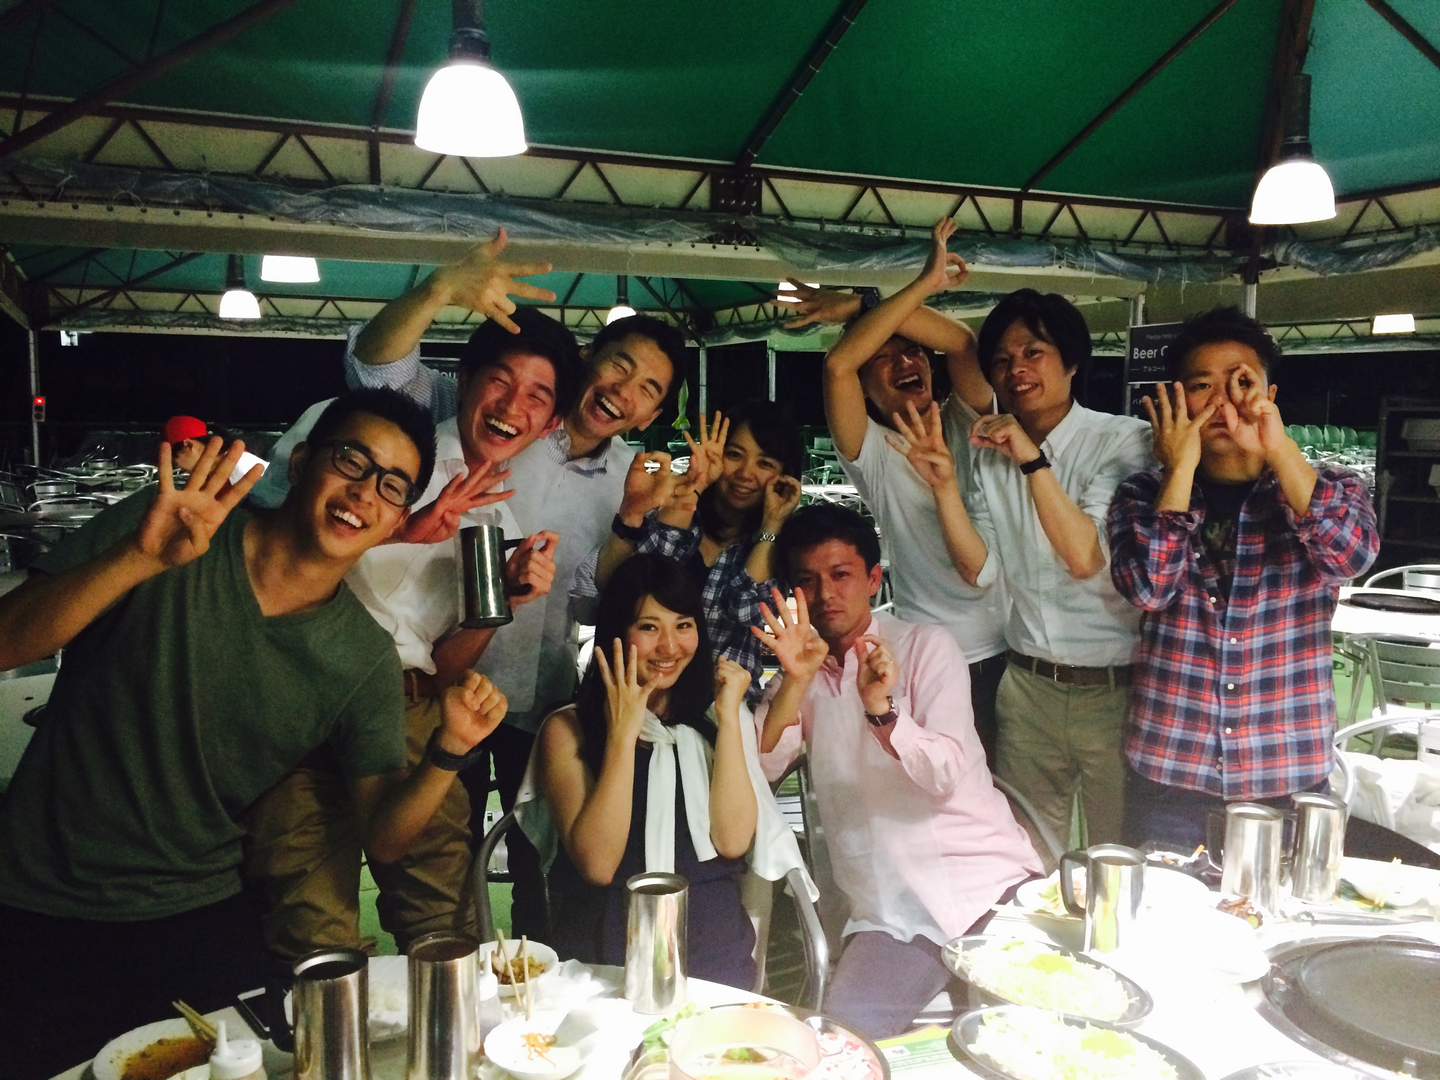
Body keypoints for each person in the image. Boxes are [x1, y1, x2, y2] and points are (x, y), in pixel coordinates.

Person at [0, 390, 509, 1078]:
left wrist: (448, 750)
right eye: (351, 460)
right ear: (300, 463)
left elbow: (384, 837)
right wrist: (139, 558)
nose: (365, 491)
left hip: (196, 908)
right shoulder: (171, 530)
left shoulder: (360, 658)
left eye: (393, 486)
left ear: (399, 519)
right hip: (37, 893)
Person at [303, 232, 690, 937]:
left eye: (648, 389)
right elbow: (378, 366)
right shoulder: (478, 421)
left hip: (530, 698)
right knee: (394, 864)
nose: (623, 391)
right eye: (619, 366)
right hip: (423, 688)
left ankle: (536, 970)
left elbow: (595, 600)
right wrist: (438, 290)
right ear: (587, 362)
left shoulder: (628, 479)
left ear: (652, 415)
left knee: (535, 861)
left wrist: (634, 521)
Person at [243, 310, 581, 956]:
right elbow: (265, 537)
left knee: (445, 928)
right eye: (500, 380)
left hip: (409, 707)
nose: (512, 406)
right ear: (465, 379)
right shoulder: (375, 443)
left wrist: (502, 600)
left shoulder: (499, 520)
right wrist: (404, 529)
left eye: (537, 396)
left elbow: (442, 668)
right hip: (305, 691)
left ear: (551, 423)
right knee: (311, 931)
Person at [754, 503, 1041, 1039]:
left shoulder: (926, 647)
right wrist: (795, 680)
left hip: (986, 885)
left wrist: (882, 710)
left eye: (841, 575)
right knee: (843, 1047)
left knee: (1032, 1038)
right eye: (807, 582)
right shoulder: (799, 676)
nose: (826, 594)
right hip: (892, 912)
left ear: (873, 578)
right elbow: (763, 767)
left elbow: (945, 772)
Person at [1108, 307, 1379, 850]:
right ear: (1177, 401)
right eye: (1201, 386)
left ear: (1269, 395)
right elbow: (1149, 589)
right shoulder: (1141, 494)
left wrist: (1277, 447)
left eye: (1241, 383)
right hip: (1172, 774)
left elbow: (1349, 557)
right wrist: (1179, 470)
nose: (1222, 402)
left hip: (1285, 774)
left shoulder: (1331, 486)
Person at [524, 553, 810, 988]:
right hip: (604, 953)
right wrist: (623, 735)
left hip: (712, 946)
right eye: (648, 627)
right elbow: (598, 865)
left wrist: (729, 717)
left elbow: (732, 840)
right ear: (616, 631)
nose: (670, 647)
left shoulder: (715, 720)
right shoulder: (567, 730)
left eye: (683, 625)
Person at [791, 219, 1008, 765]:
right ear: (867, 388)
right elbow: (839, 364)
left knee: (1001, 801)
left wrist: (864, 305)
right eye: (883, 358)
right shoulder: (875, 450)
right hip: (931, 662)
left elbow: (962, 342)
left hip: (1010, 655)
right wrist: (915, 288)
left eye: (913, 351)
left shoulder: (967, 419)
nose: (905, 362)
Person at [573, 400, 804, 701]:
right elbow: (640, 585)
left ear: (785, 474)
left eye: (765, 464)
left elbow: (745, 609)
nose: (745, 473)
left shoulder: (778, 548)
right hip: (635, 698)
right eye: (734, 455)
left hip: (722, 709)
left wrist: (771, 526)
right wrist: (692, 488)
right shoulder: (679, 517)